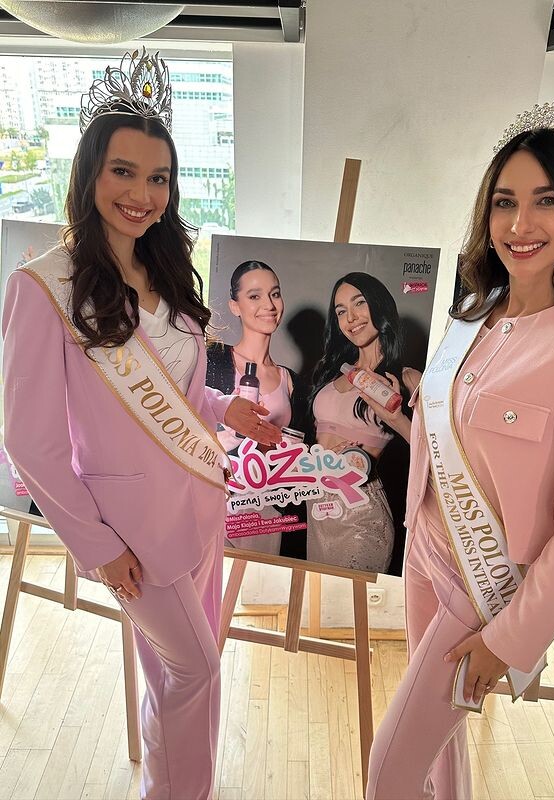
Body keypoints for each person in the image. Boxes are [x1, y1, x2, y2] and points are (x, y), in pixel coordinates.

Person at [1, 49, 280, 800]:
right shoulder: (42, 288)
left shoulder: (164, 272)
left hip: (200, 504)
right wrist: (96, 547)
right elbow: (30, 442)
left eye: (158, 178)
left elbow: (181, 393)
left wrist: (224, 408)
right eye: (123, 171)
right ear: (90, 174)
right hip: (130, 532)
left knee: (172, 675)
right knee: (197, 670)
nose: (142, 194)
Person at [366, 99, 554, 800]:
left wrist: (508, 639)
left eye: (546, 201)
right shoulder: (472, 313)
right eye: (505, 202)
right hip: (425, 550)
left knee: (388, 773)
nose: (520, 225)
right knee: (437, 757)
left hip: (480, 586)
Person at [307, 272, 420, 573]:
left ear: (379, 305)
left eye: (359, 303)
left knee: (347, 601)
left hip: (361, 514)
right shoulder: (332, 371)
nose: (351, 318)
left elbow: (435, 452)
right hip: (318, 506)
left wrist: (396, 418)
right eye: (341, 311)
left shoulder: (408, 379)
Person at [206, 260, 309, 556]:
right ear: (235, 306)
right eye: (254, 296)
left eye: (275, 294)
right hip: (216, 501)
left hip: (265, 508)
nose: (269, 305)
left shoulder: (291, 380)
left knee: (259, 580)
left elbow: (297, 451)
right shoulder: (212, 359)